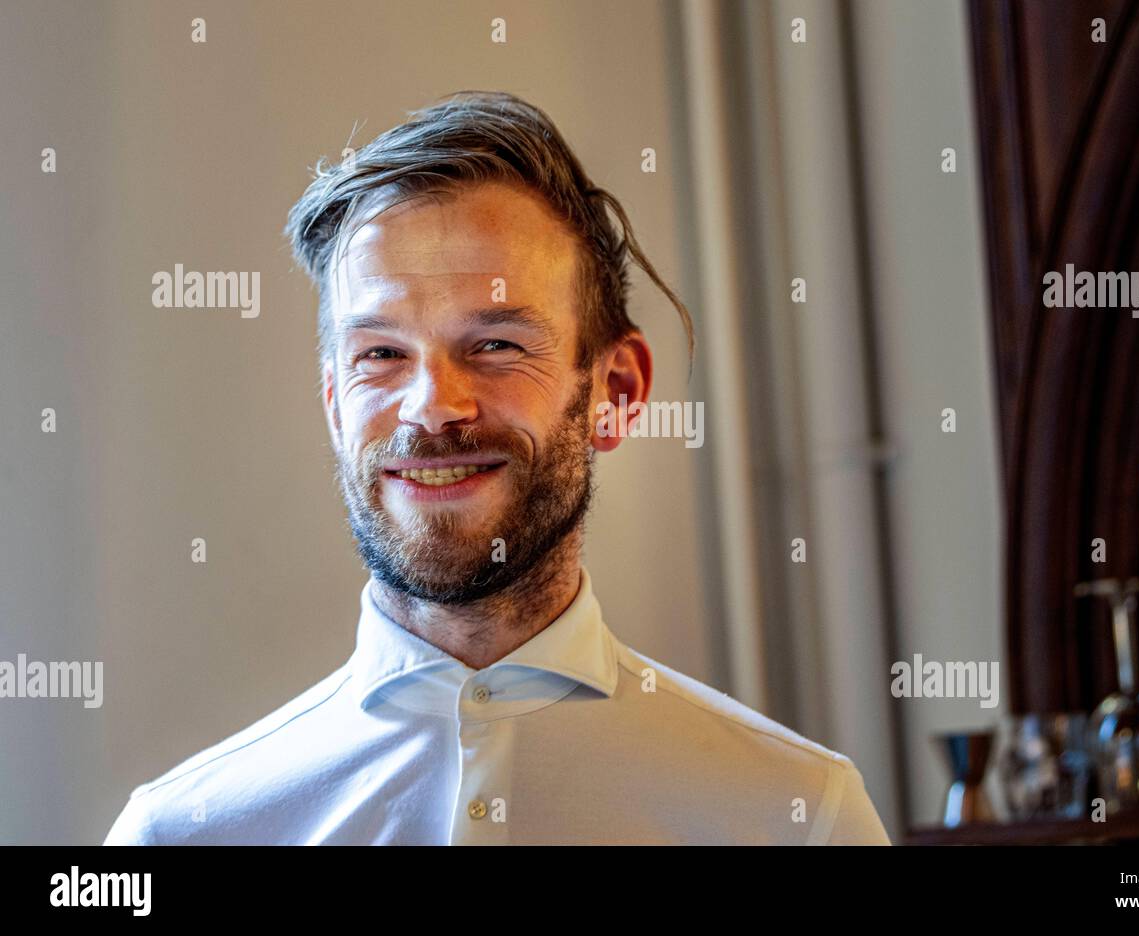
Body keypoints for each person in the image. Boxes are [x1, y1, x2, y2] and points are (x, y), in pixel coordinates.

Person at [102, 91, 890, 845]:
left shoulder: (802, 818)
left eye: (498, 345)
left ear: (614, 393)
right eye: (380, 354)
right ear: (336, 403)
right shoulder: (172, 836)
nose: (433, 406)